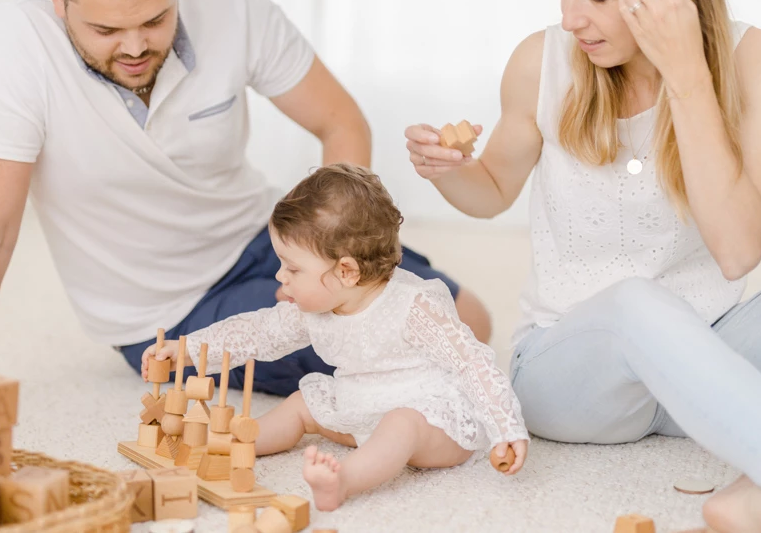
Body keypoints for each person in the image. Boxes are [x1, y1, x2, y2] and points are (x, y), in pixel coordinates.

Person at [0, 0, 490, 447]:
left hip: (269, 241)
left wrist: (328, 258)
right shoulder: (5, 53)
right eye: (104, 28)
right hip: (166, 309)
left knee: (463, 318)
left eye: (154, 20)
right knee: (425, 350)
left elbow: (341, 121)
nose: (133, 47)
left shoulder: (231, 3)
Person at [404, 0, 761, 532]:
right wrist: (447, 170)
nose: (569, 16)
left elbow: (738, 249)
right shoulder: (542, 61)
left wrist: (686, 69)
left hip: (702, 351)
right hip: (571, 373)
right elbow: (492, 188)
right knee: (640, 299)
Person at [143, 164, 528, 511]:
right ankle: (233, 443)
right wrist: (188, 350)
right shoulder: (315, 306)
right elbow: (256, 332)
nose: (280, 277)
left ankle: (344, 480)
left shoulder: (413, 307)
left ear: (346, 271)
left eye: (292, 268)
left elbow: (472, 362)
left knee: (401, 424)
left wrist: (505, 428)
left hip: (434, 421)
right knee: (302, 403)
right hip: (362, 405)